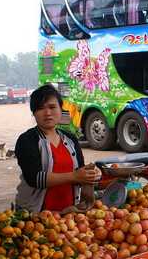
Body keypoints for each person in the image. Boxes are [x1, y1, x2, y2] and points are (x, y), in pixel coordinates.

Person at [14, 84, 99, 213]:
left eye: (52, 107)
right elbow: (35, 178)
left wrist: (89, 174)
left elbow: (79, 171)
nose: (47, 113)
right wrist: (74, 176)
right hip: (35, 215)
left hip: (69, 214)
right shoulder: (27, 140)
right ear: (34, 113)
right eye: (40, 108)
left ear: (60, 109)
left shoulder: (70, 139)